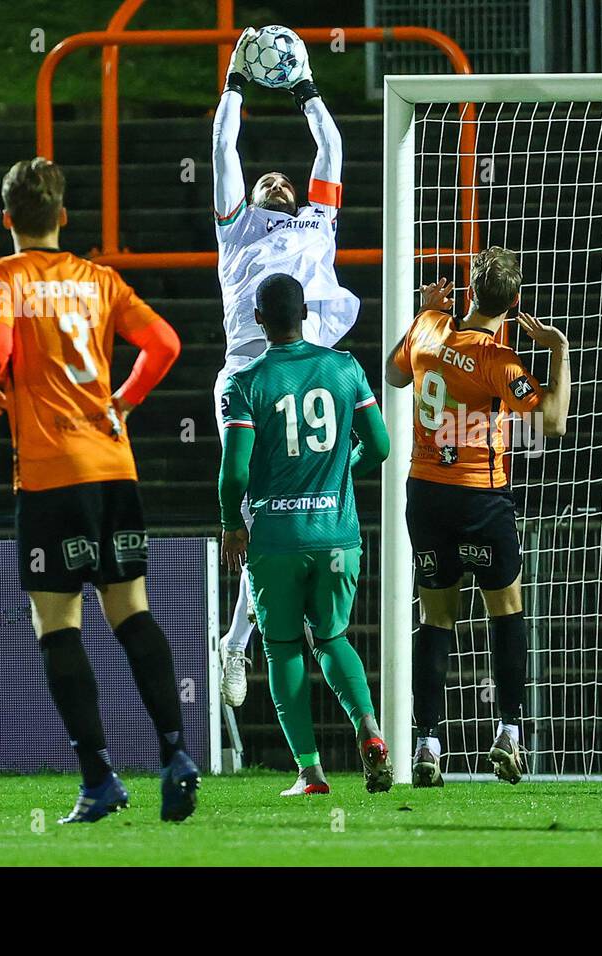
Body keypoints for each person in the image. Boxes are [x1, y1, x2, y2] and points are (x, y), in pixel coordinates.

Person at [0, 157, 196, 823]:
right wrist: (124, 399)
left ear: (7, 219)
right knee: (132, 612)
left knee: (57, 624)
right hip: (115, 467)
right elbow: (166, 343)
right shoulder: (100, 280)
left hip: (51, 474)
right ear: (64, 217)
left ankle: (99, 779)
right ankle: (176, 753)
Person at [384, 247, 571, 786]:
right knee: (506, 609)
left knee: (436, 616)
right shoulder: (498, 361)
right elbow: (553, 423)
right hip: (479, 497)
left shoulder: (427, 327)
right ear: (513, 304)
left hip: (425, 493)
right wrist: (558, 351)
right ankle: (510, 733)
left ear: (468, 291)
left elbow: (396, 377)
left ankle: (426, 744)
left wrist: (424, 311)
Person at [212, 26, 359, 707]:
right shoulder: (235, 225)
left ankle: (244, 641)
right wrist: (235, 86)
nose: (276, 174)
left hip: (311, 374)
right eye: (266, 175)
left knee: (286, 517)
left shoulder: (318, 222)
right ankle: (238, 644)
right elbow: (224, 146)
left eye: (285, 177)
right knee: (260, 514)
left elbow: (330, 146)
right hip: (247, 374)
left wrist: (305, 91)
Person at [219, 273, 391, 795]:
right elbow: (380, 446)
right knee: (333, 638)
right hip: (338, 535)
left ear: (259, 319)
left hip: (276, 539)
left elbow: (235, 474)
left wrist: (231, 525)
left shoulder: (246, 382)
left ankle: (310, 772)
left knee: (283, 647)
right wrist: (339, 472)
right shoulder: (346, 368)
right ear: (305, 315)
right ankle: (370, 731)